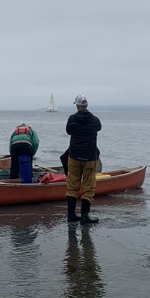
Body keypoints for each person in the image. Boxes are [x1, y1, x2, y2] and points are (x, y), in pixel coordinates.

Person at [65, 95, 102, 224]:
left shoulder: (72, 119)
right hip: (89, 158)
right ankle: (85, 216)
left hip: (74, 156)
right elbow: (99, 128)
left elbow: (68, 131)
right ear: (87, 105)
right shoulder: (95, 120)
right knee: (89, 186)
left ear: (77, 105)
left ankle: (71, 215)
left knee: (72, 186)